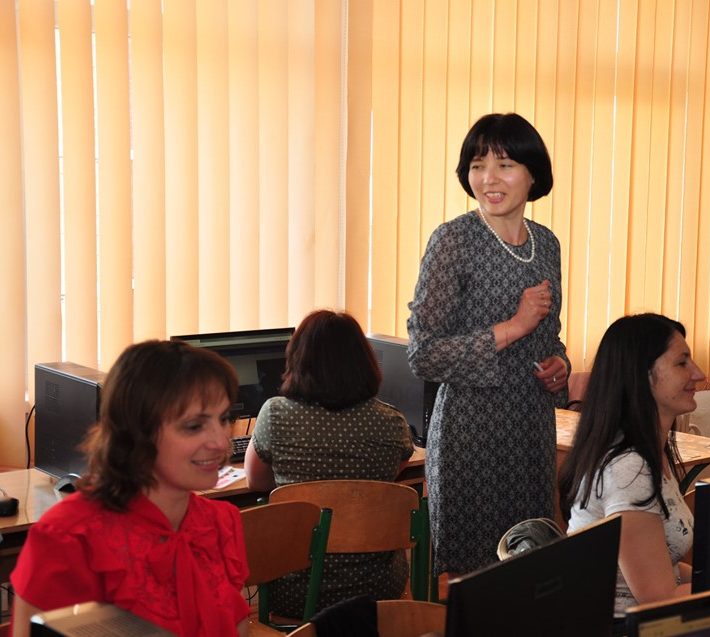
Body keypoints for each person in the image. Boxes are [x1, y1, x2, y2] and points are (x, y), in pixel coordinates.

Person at [407, 112, 570, 576]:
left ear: (533, 174)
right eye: (478, 165)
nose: (488, 179)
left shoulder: (547, 244)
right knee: (475, 578)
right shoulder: (453, 241)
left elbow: (551, 334)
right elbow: (424, 353)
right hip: (470, 435)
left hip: (531, 431)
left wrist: (559, 364)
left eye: (504, 165)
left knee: (531, 568)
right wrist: (514, 326)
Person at [11, 340, 250, 637]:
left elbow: (237, 629)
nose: (221, 441)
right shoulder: (69, 536)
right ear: (137, 434)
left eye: (224, 419)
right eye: (193, 426)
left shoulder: (220, 522)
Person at [244, 309, 414, 616]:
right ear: (364, 362)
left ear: (297, 360)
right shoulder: (391, 422)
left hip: (295, 592)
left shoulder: (276, 414)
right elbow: (391, 474)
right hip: (375, 590)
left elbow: (255, 481)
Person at [558, 313, 705, 631]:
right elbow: (659, 599)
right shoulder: (629, 469)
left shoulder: (651, 452)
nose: (699, 373)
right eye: (682, 363)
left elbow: (664, 568)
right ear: (642, 375)